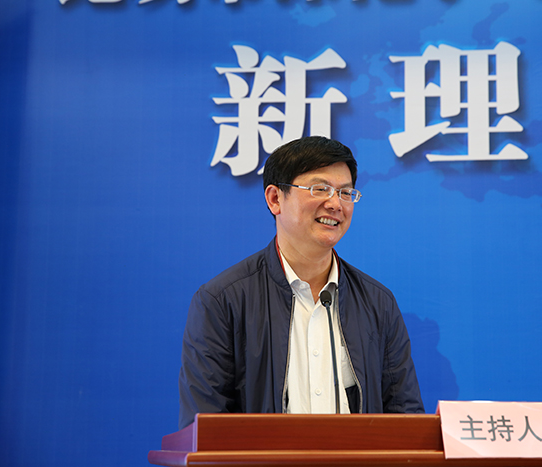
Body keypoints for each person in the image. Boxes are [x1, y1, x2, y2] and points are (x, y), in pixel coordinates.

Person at [178, 136, 424, 429]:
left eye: (345, 193)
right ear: (275, 199)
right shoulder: (222, 301)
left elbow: (406, 416)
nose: (335, 204)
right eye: (320, 189)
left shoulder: (377, 302)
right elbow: (205, 425)